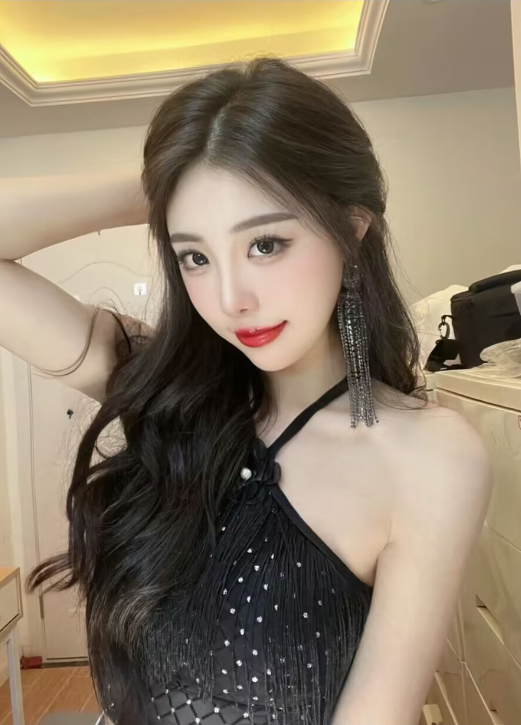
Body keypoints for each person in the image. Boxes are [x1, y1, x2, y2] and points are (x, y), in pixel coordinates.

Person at [0, 56, 492, 725]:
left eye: (264, 243)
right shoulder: (166, 392)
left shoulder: (429, 456)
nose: (231, 298)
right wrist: (171, 179)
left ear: (351, 229)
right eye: (195, 256)